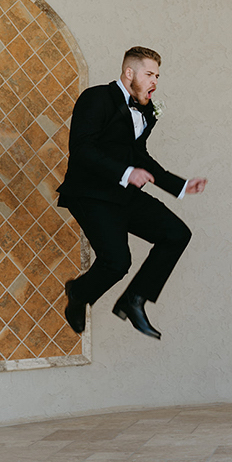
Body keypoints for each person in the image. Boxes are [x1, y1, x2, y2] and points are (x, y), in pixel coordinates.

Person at [57, 46, 207, 340]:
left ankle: (134, 299)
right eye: (149, 74)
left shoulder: (147, 110)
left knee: (176, 234)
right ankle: (78, 294)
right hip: (91, 194)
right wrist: (126, 173)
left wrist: (179, 184)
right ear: (129, 73)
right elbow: (83, 149)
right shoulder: (96, 98)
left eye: (157, 76)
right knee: (117, 262)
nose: (155, 81)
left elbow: (139, 154)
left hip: (123, 194)